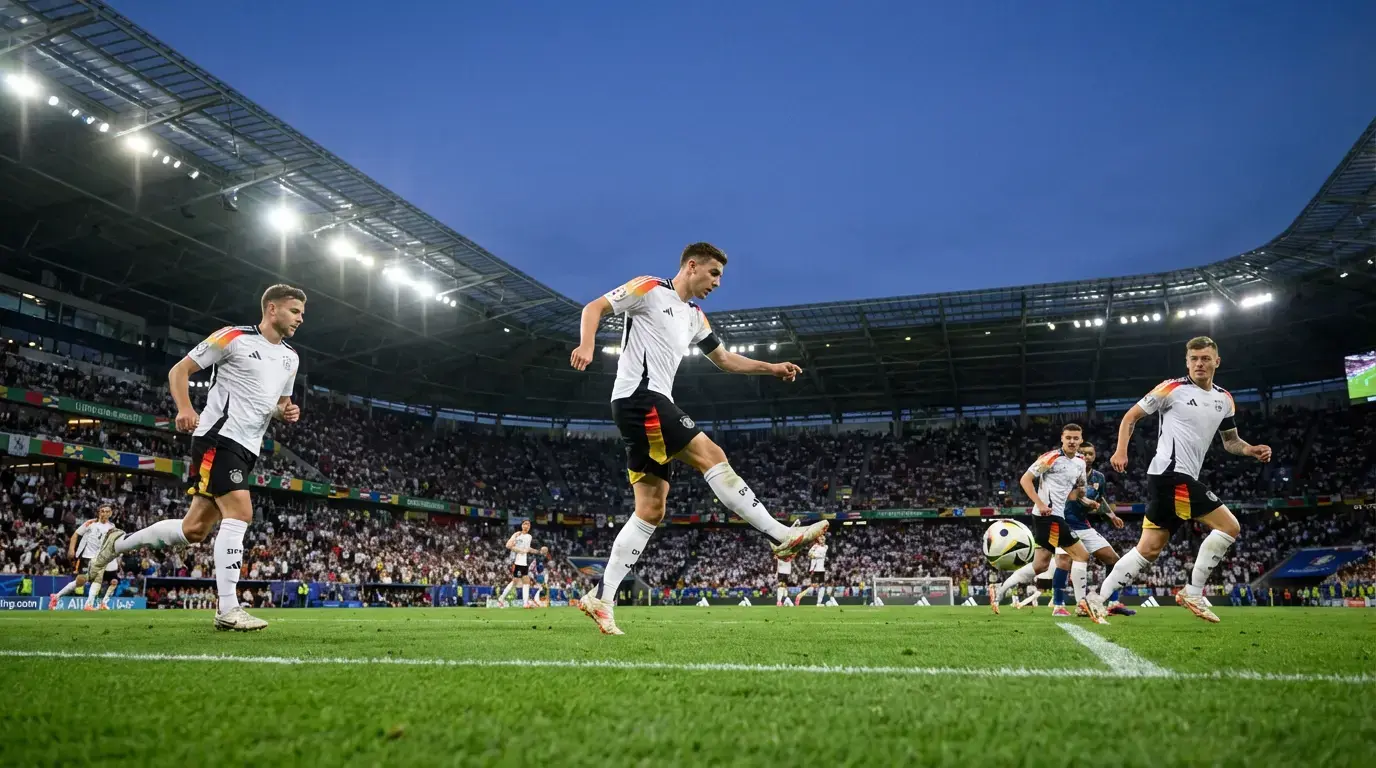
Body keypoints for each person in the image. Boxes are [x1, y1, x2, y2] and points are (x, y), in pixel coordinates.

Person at [569, 242, 827, 635]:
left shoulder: (694, 316)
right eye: (714, 274)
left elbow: (723, 359)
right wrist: (587, 343)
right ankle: (780, 535)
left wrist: (770, 367)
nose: (717, 283)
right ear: (692, 266)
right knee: (711, 454)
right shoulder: (649, 287)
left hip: (648, 404)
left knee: (651, 509)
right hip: (641, 398)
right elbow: (594, 308)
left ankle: (601, 598)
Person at [88, 284, 305, 632]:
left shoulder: (290, 358)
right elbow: (179, 371)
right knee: (241, 513)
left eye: (302, 314)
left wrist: (286, 411)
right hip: (218, 436)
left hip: (248, 447)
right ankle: (228, 608)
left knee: (194, 530)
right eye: (295, 311)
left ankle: (119, 542)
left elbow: (278, 403)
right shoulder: (233, 337)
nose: (300, 319)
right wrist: (185, 408)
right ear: (272, 309)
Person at [1087, 336, 1271, 623]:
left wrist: (1250, 449)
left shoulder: (1224, 399)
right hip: (1170, 475)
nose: (1199, 363)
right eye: (1194, 358)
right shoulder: (1171, 388)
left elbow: (1230, 441)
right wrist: (1121, 449)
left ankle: (1096, 599)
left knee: (1148, 549)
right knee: (1229, 526)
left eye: (1205, 358)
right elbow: (1130, 417)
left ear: (1216, 362)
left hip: (1172, 479)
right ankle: (1193, 592)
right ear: (1187, 362)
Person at [991, 424, 1109, 624]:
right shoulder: (1050, 458)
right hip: (1048, 515)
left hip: (1055, 515)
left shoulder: (1080, 462)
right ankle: (1082, 602)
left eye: (1076, 438)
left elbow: (1077, 493)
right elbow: (1025, 480)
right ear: (1062, 438)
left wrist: (1089, 502)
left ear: (1081, 440)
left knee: (1040, 564)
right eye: (1068, 437)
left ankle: (1000, 590)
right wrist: (1040, 503)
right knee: (1081, 555)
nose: (1072, 441)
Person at [1051, 442, 1135, 618]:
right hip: (1063, 523)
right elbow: (1073, 497)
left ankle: (1112, 602)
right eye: (1083, 453)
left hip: (1083, 525)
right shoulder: (1069, 473)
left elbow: (1101, 500)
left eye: (1090, 453)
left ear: (1094, 455)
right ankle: (1058, 605)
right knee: (1064, 562)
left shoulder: (1099, 478)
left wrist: (1111, 515)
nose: (1087, 456)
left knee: (1112, 558)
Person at [48, 504, 117, 611]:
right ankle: (84, 603)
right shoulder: (90, 523)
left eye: (108, 511)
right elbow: (75, 535)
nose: (105, 513)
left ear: (110, 513)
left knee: (89, 581)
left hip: (101, 558)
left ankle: (59, 597)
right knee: (86, 580)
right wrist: (71, 549)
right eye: (103, 511)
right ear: (99, 512)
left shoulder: (112, 527)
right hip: (87, 556)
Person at [497, 520, 540, 608]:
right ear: (522, 525)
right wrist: (518, 550)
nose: (527, 526)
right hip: (517, 562)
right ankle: (502, 598)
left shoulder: (529, 537)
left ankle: (524, 603)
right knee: (516, 582)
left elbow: (528, 549)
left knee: (525, 581)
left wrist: (538, 551)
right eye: (525, 524)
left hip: (524, 562)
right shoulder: (517, 534)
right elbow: (508, 545)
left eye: (529, 524)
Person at [794, 535, 830, 607]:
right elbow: (809, 554)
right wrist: (817, 556)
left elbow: (823, 554)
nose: (822, 539)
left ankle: (819, 603)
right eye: (820, 538)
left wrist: (821, 557)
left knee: (822, 586)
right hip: (816, 568)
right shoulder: (815, 546)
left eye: (823, 538)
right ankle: (799, 596)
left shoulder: (826, 546)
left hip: (821, 568)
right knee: (814, 585)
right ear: (818, 540)